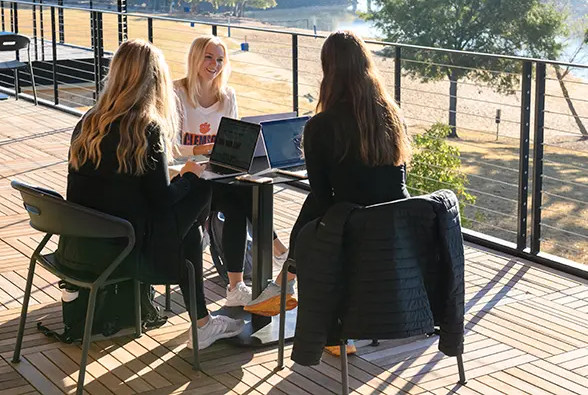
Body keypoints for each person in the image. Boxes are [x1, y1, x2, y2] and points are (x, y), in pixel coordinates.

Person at [58, 38, 244, 350]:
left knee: (190, 234)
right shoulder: (147, 129)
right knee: (203, 188)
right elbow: (162, 201)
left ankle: (203, 323)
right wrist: (188, 175)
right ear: (155, 81)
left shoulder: (88, 121)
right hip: (132, 249)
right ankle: (206, 318)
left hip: (83, 244)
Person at [245, 30, 413, 355]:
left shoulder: (321, 125)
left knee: (316, 221)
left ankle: (290, 288)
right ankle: (285, 283)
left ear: (328, 70)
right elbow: (395, 182)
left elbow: (322, 195)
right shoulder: (392, 115)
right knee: (324, 217)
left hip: (353, 232)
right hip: (396, 230)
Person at [174, 35, 289, 307]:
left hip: (219, 173)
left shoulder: (228, 96)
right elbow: (170, 146)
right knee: (239, 196)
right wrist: (204, 149)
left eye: (220, 60)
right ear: (195, 58)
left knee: (239, 195)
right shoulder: (175, 92)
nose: (215, 64)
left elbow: (236, 141)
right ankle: (275, 249)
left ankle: (238, 286)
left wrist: (226, 152)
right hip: (186, 174)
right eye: (209, 57)